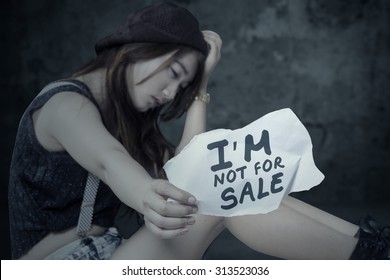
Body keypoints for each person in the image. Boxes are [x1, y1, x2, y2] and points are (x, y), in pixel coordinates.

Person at [8, 2, 388, 260]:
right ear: (141, 48)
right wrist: (146, 196)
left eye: (181, 86)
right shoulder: (64, 105)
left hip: (111, 254)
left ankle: (371, 247)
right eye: (173, 75)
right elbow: (110, 162)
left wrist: (199, 86)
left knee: (230, 183)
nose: (171, 94)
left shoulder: (123, 116)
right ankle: (369, 258)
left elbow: (190, 171)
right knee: (223, 190)